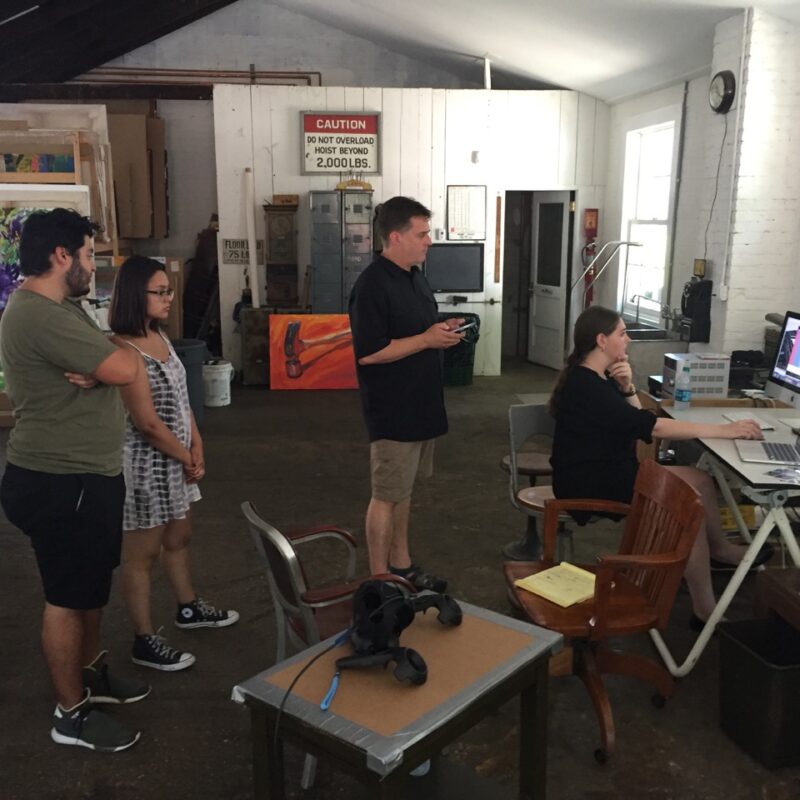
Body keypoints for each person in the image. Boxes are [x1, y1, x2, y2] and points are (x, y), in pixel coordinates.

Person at [0, 208, 147, 752]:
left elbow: (117, 356)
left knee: (89, 588)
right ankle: (71, 714)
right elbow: (128, 367)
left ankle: (89, 674)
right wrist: (117, 360)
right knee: (66, 597)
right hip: (59, 480)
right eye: (88, 254)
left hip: (84, 476)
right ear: (61, 256)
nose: (92, 264)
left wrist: (110, 360)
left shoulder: (63, 308)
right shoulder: (39, 315)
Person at [549, 305, 773, 628]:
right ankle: (705, 609)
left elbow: (639, 421)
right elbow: (653, 428)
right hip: (591, 482)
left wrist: (627, 388)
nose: (627, 340)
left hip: (610, 471)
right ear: (601, 340)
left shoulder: (598, 378)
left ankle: (720, 549)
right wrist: (725, 430)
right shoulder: (587, 387)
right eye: (622, 333)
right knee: (686, 504)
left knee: (700, 479)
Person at [108, 256, 238, 672]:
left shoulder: (160, 337)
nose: (168, 298)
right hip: (144, 470)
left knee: (179, 537)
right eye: (160, 292)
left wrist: (196, 444)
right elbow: (146, 423)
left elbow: (182, 402)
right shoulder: (123, 348)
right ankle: (144, 639)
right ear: (135, 294)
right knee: (142, 555)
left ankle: (188, 607)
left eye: (169, 290)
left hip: (177, 463)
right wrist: (186, 456)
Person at [348, 196, 465, 591]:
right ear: (396, 237)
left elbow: (415, 329)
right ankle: (379, 580)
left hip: (421, 405)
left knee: (404, 492)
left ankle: (401, 564)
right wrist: (426, 339)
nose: (429, 241)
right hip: (393, 410)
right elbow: (369, 353)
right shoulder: (371, 286)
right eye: (422, 234)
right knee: (386, 495)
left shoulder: (415, 277)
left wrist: (440, 328)